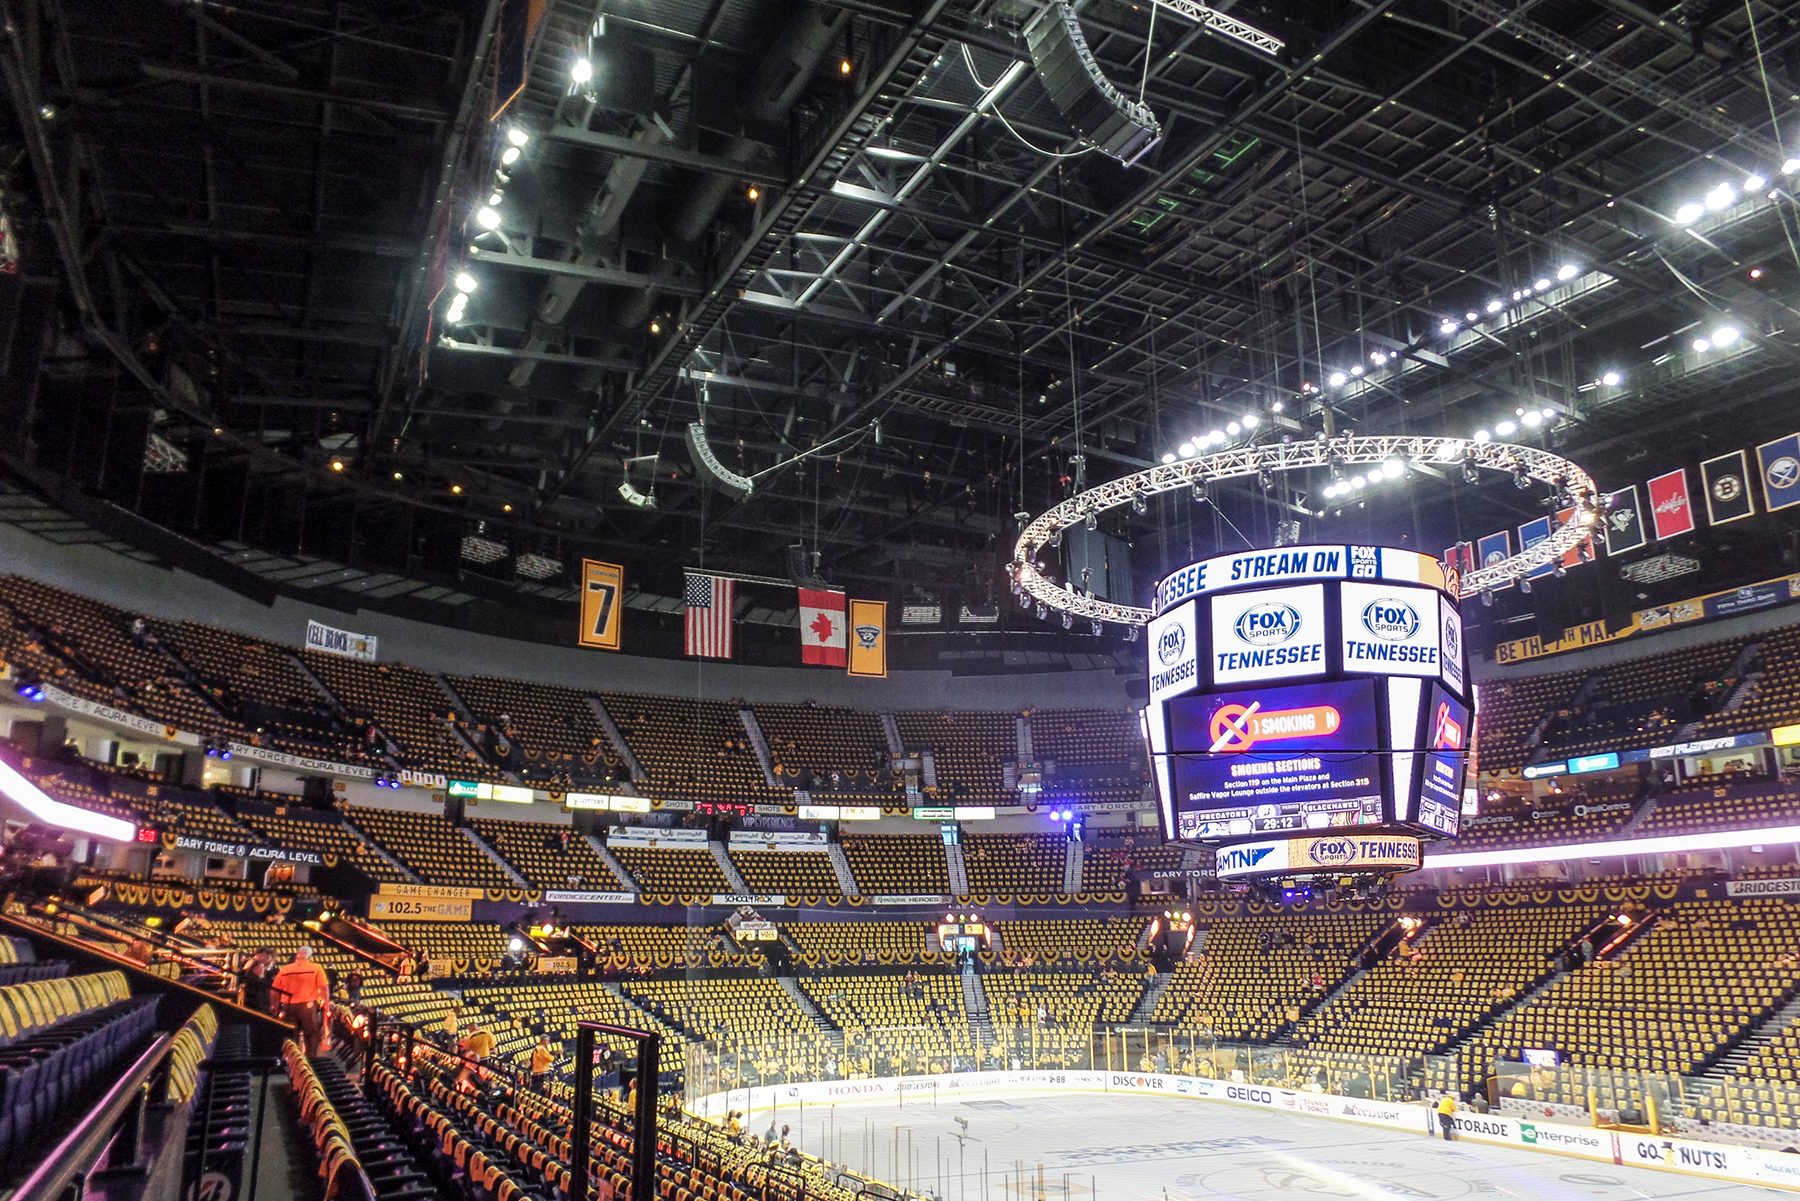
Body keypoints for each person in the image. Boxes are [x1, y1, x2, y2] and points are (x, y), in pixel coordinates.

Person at [272, 946, 332, 1056]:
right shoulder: (316, 968)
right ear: (309, 955)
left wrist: (275, 1006)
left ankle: (292, 1060)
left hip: (288, 1006)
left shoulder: (285, 970)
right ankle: (310, 1059)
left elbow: (274, 990)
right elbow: (323, 987)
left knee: (291, 1035)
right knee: (311, 1034)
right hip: (307, 1007)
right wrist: (326, 1005)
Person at [240, 947, 278, 1014]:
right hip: (250, 1005)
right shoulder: (247, 973)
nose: (262, 959)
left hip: (263, 1007)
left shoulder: (272, 973)